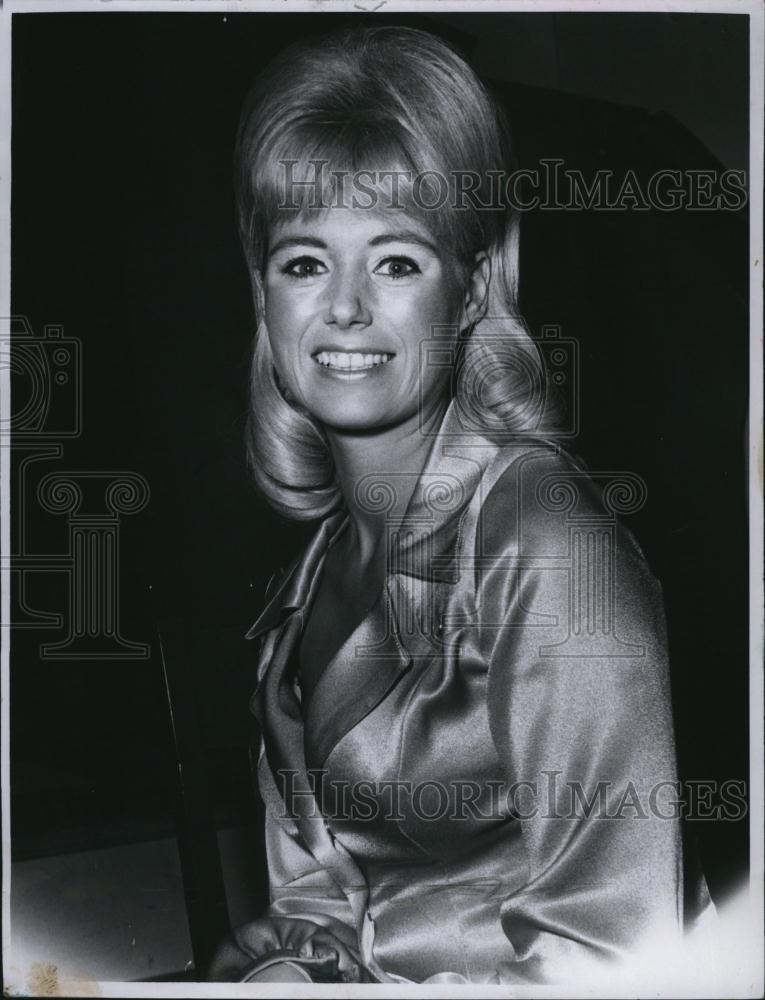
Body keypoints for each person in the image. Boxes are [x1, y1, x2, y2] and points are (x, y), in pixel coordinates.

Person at [207, 23, 712, 986]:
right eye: (303, 261)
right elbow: (332, 891)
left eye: (395, 261)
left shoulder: (545, 544)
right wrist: (296, 957)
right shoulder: (312, 573)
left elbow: (614, 961)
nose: (343, 308)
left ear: (472, 287)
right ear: (262, 291)